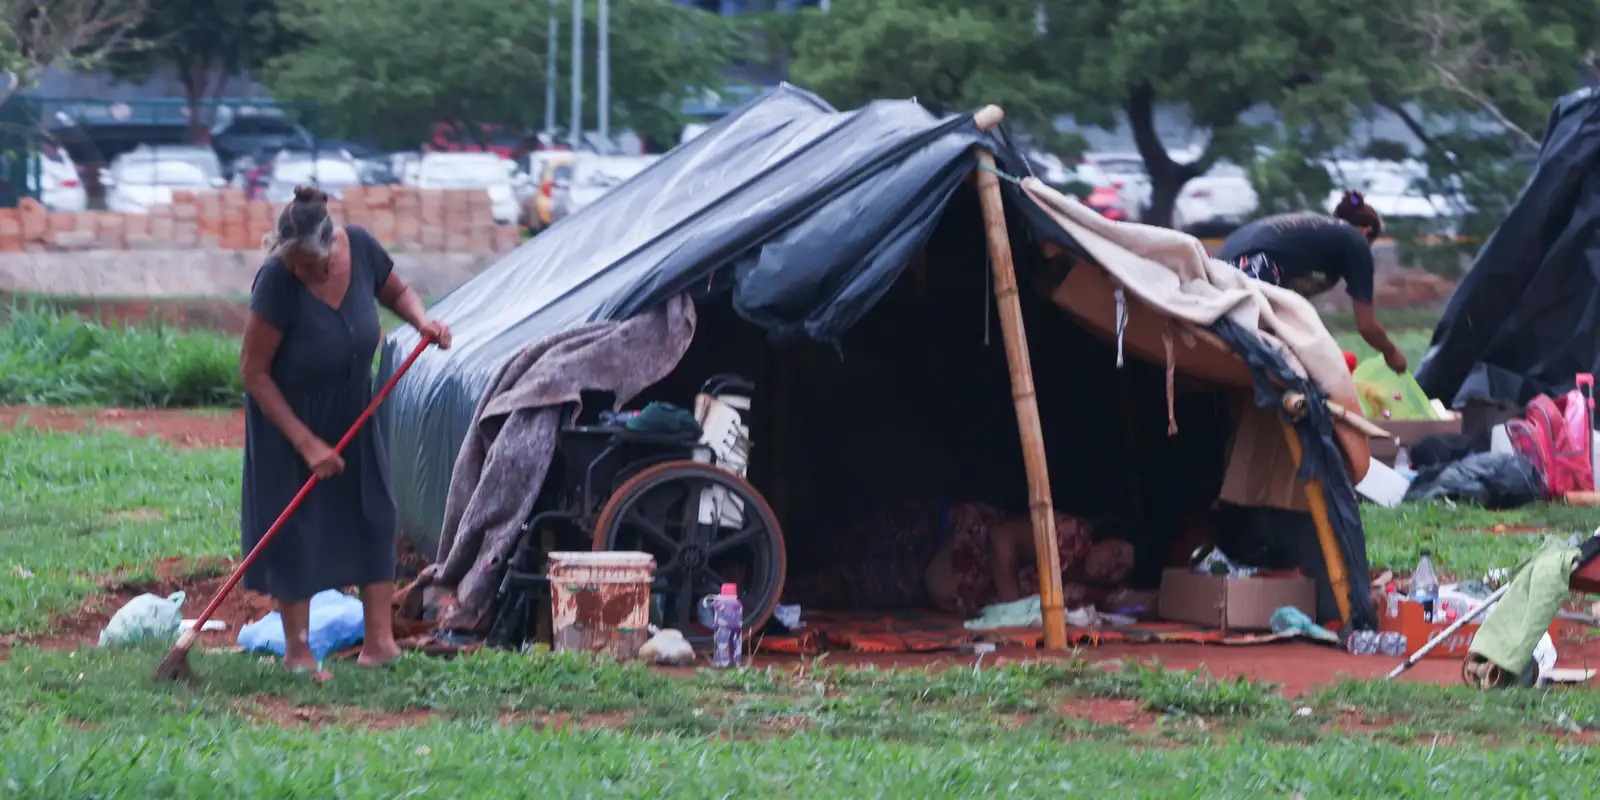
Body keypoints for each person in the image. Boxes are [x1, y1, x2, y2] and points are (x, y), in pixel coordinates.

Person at [239, 185, 452, 672]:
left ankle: (380, 644)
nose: (302, 274)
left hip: (353, 408)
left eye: (310, 266)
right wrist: (307, 442)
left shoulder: (360, 247)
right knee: (296, 528)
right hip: (290, 419)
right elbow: (253, 371)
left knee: (374, 513)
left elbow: (396, 290)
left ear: (332, 246)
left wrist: (422, 321)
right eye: (293, 266)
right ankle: (298, 652)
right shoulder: (276, 281)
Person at [783, 499, 1136, 617]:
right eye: (1117, 552)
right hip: (937, 533)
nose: (1111, 564)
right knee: (841, 544)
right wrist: (1013, 613)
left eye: (1120, 570)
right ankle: (753, 562)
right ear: (1105, 537)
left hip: (928, 581)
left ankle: (761, 593)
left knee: (841, 587)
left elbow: (1143, 603)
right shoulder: (1070, 534)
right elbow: (1001, 540)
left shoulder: (1083, 592)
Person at [1215, 191, 1407, 374]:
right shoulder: (1355, 241)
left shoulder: (1315, 230)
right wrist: (1391, 353)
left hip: (1219, 271)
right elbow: (1366, 325)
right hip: (1253, 271)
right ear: (1366, 231)